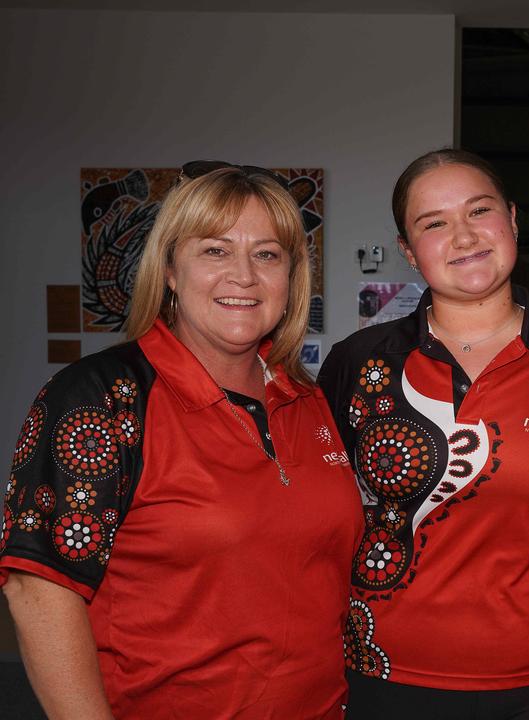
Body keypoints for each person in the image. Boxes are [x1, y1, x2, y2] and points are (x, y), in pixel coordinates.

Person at [0, 162, 363, 718]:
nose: (243, 275)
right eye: (215, 250)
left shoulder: (307, 401)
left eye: (267, 254)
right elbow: (39, 590)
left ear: (291, 278)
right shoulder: (101, 396)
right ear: (169, 269)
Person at [318, 148, 529, 720]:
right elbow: (312, 509)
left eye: (479, 211)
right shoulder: (358, 362)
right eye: (434, 223)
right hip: (388, 676)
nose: (463, 235)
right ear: (408, 250)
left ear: (513, 219)